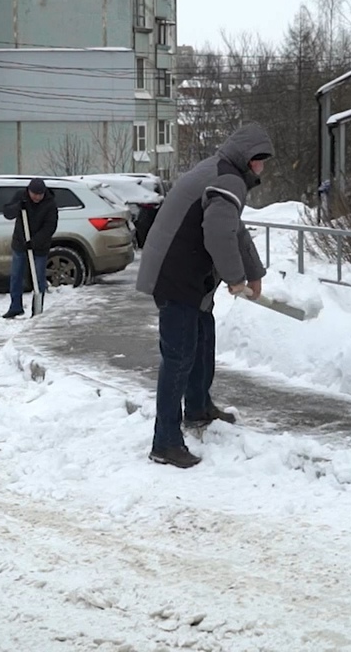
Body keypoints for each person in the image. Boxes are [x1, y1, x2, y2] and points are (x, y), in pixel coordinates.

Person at [135, 123, 274, 468]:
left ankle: (197, 407)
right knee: (179, 356)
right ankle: (164, 442)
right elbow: (218, 236)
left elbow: (234, 228)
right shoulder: (227, 179)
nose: (262, 166)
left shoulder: (219, 170)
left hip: (187, 275)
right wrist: (236, 278)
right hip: (177, 276)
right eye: (260, 160)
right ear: (248, 159)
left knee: (202, 338)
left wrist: (253, 272)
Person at [1, 178, 58, 319]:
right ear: (29, 191)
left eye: (40, 194)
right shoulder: (21, 196)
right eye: (34, 194)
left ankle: (37, 310)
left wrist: (34, 242)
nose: (37, 197)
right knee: (16, 276)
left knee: (38, 279)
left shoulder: (50, 204)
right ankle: (16, 307)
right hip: (20, 243)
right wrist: (18, 206)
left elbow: (50, 227)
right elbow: (7, 213)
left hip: (40, 247)